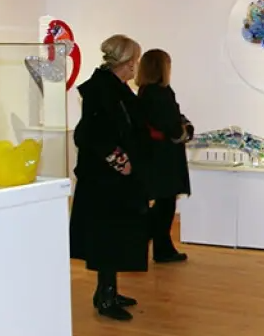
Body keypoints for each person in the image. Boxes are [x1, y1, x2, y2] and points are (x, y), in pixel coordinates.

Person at [69, 34, 150, 321]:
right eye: (135, 60)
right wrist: (119, 160)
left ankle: (109, 290)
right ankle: (105, 296)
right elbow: (90, 134)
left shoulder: (114, 88)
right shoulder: (102, 90)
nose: (136, 66)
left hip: (114, 180)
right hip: (105, 181)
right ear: (127, 63)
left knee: (115, 236)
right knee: (107, 237)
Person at [136, 49, 193, 263]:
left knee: (164, 202)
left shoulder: (145, 91)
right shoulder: (160, 93)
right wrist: (185, 130)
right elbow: (172, 125)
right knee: (165, 204)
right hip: (165, 156)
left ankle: (160, 246)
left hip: (155, 153)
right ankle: (155, 245)